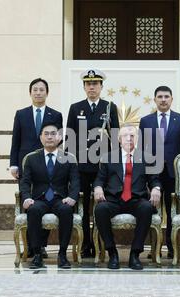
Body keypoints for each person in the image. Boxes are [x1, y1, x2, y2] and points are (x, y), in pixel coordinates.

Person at [66, 69, 120, 258]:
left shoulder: (109, 107)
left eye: (95, 84)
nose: (92, 87)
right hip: (81, 166)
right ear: (84, 87)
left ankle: (101, 242)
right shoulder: (75, 108)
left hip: (102, 167)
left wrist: (114, 164)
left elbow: (115, 138)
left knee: (101, 204)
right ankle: (85, 244)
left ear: (101, 86)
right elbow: (70, 138)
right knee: (83, 206)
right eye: (88, 84)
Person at [93, 124, 161, 270]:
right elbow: (100, 179)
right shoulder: (108, 157)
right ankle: (112, 253)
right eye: (125, 136)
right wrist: (98, 187)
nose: (129, 139)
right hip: (114, 199)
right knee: (100, 209)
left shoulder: (146, 157)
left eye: (132, 136)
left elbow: (154, 179)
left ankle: (135, 254)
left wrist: (156, 188)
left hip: (136, 199)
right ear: (119, 139)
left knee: (146, 208)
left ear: (137, 139)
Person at [10, 78, 63, 259]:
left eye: (42, 89)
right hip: (26, 166)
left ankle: (41, 246)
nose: (38, 92)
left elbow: (58, 141)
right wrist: (14, 164)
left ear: (47, 93)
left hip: (48, 167)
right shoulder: (21, 114)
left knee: (47, 202)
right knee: (29, 206)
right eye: (35, 89)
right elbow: (15, 141)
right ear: (30, 92)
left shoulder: (56, 115)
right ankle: (30, 246)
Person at [139, 86, 180, 258]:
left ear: (171, 99)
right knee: (151, 211)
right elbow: (140, 149)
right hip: (151, 173)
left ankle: (171, 247)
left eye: (166, 96)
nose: (163, 99)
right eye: (160, 97)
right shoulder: (146, 121)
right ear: (154, 99)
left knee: (171, 211)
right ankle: (154, 248)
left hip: (173, 174)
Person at [20, 123, 80, 269]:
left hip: (60, 199)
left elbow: (76, 182)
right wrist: (27, 197)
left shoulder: (68, 158)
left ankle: (62, 255)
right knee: (33, 210)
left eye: (53, 134)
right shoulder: (32, 159)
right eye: (46, 134)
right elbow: (25, 182)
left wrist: (72, 197)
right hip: (39, 200)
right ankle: (37, 255)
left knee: (66, 211)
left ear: (59, 138)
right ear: (41, 138)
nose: (49, 137)